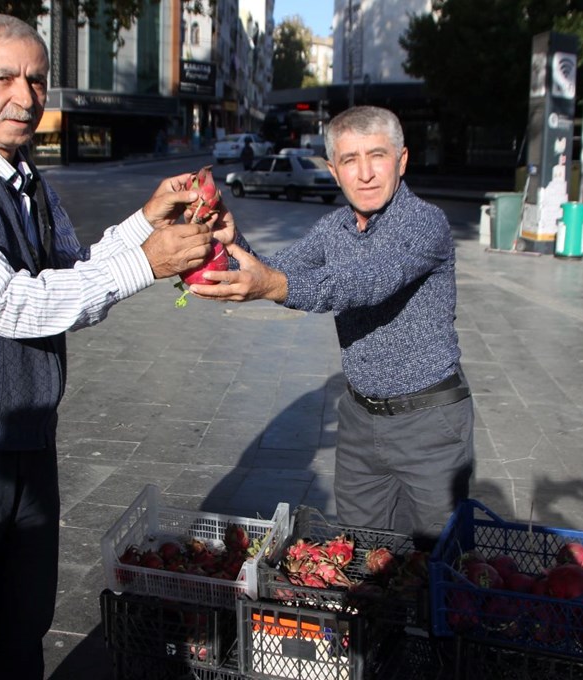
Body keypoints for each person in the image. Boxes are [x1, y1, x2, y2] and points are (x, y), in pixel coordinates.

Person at [0, 14, 218, 679]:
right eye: (4, 77)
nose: (26, 97)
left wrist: (146, 220)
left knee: (19, 634)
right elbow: (11, 303)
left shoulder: (30, 184)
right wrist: (147, 261)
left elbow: (72, 272)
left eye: (37, 79)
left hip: (30, 444)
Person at [192, 106, 474, 549]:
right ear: (333, 171)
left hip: (430, 423)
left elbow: (364, 281)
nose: (364, 173)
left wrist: (272, 285)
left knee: (441, 558)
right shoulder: (334, 228)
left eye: (377, 156)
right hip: (361, 421)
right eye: (349, 160)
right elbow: (276, 268)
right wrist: (232, 241)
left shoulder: (424, 223)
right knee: (362, 553)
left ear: (401, 160)